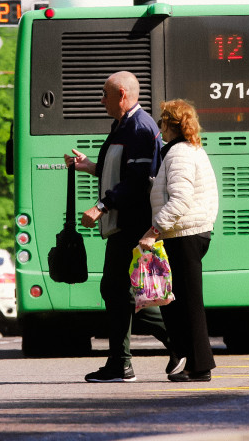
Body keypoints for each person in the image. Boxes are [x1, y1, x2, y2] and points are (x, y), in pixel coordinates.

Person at [65, 71, 183, 383]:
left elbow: (138, 182)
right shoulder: (122, 125)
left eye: (104, 95)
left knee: (117, 290)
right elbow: (118, 171)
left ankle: (126, 362)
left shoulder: (140, 127)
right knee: (122, 291)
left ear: (121, 94)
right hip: (123, 223)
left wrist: (101, 207)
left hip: (133, 223)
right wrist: (90, 166)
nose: (100, 101)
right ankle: (156, 351)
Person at [139, 99, 218, 382]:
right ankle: (192, 361)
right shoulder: (186, 151)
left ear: (168, 124)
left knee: (189, 304)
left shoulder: (179, 154)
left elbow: (181, 199)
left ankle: (200, 366)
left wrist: (154, 230)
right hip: (189, 232)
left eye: (161, 121)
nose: (159, 127)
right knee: (181, 303)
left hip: (185, 234)